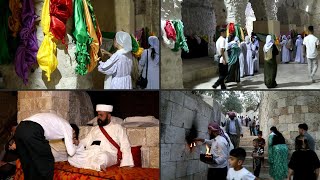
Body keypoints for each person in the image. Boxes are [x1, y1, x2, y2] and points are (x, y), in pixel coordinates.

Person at [68, 104, 134, 171]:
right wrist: (77, 143)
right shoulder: (95, 129)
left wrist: (126, 163)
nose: (98, 117)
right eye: (98, 115)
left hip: (109, 154)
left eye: (101, 115)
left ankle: (95, 165)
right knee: (72, 158)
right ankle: (96, 165)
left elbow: (125, 145)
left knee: (103, 157)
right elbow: (86, 141)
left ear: (108, 116)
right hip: (91, 153)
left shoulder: (117, 128)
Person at [15, 113, 77, 180]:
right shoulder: (68, 127)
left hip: (20, 129)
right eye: (74, 136)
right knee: (46, 162)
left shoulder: (57, 124)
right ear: (73, 131)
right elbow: (71, 152)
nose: (73, 138)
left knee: (29, 165)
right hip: (33, 129)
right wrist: (75, 144)